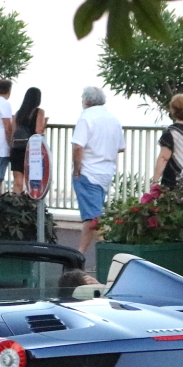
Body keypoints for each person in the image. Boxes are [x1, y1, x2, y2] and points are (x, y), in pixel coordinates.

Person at [71, 86, 125, 254]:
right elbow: (120, 147)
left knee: (94, 220)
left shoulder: (86, 118)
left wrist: (76, 169)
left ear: (86, 100)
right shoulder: (113, 119)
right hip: (106, 173)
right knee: (91, 217)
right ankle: (80, 254)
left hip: (88, 172)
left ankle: (111, 253)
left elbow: (78, 147)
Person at [8, 87, 47, 193]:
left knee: (17, 182)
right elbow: (38, 130)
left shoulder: (18, 113)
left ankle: (16, 204)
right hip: (30, 150)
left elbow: (13, 132)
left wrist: (11, 148)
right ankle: (29, 206)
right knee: (32, 180)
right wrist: (45, 123)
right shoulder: (39, 112)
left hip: (16, 149)